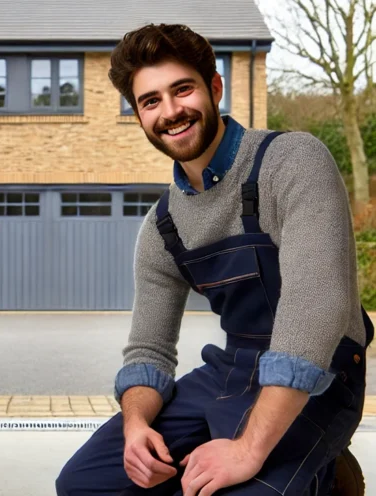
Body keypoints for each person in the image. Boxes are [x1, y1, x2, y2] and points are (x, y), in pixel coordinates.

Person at [56, 23, 373, 496]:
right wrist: (136, 424)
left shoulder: (292, 162)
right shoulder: (163, 226)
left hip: (324, 374)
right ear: (139, 115)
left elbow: (316, 311)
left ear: (215, 88)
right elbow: (148, 350)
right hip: (231, 369)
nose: (171, 111)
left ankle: (326, 477)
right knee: (85, 483)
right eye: (150, 101)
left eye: (182, 89)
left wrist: (247, 451)